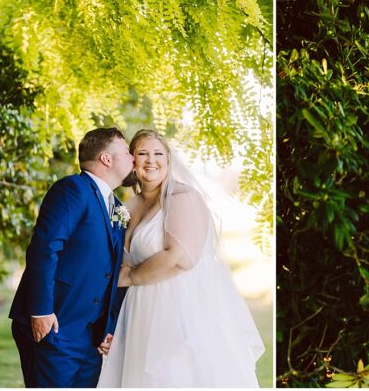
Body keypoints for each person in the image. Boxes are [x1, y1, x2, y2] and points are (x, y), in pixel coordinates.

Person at [96, 129, 264, 387]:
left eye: (158, 153)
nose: (151, 160)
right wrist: (112, 326)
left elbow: (181, 258)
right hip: (138, 310)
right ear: (132, 161)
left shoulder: (183, 198)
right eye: (142, 153)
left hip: (178, 308)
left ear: (169, 159)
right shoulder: (124, 209)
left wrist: (130, 276)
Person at [9, 127, 134, 387]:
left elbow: (112, 271)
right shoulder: (72, 189)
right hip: (54, 324)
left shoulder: (117, 208)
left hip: (90, 337)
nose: (133, 156)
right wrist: (41, 310)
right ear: (106, 159)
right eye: (126, 151)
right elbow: (45, 248)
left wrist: (108, 326)